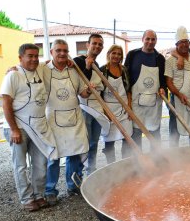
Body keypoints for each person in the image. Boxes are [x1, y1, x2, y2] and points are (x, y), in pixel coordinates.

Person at [0, 43, 57, 212]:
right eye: (29, 56)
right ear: (20, 58)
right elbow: (6, 103)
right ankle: (26, 199)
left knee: (40, 163)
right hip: (18, 127)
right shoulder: (13, 75)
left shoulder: (40, 68)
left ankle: (39, 195)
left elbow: (53, 60)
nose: (33, 59)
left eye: (35, 55)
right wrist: (14, 129)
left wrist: (68, 62)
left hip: (38, 126)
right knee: (20, 166)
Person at [43, 39, 92, 205]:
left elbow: (81, 93)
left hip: (74, 116)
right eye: (58, 50)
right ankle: (50, 190)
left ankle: (73, 185)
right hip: (53, 118)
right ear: (52, 52)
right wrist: (12, 69)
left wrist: (88, 90)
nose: (62, 53)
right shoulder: (43, 69)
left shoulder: (73, 70)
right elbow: (25, 70)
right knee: (53, 156)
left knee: (75, 152)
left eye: (65, 50)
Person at [124, 29, 166, 155]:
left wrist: (163, 87)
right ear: (142, 39)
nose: (150, 42)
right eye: (147, 39)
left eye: (153, 39)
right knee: (136, 135)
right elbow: (125, 77)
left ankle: (156, 161)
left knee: (154, 136)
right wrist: (128, 100)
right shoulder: (132, 55)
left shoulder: (160, 58)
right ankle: (139, 163)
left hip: (154, 103)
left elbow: (162, 78)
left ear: (156, 41)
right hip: (136, 103)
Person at [73, 34, 107, 176]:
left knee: (93, 144)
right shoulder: (77, 61)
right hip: (83, 108)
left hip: (97, 109)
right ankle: (75, 178)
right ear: (87, 45)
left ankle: (90, 172)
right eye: (94, 43)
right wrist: (87, 67)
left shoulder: (97, 65)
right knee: (82, 144)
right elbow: (79, 85)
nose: (97, 46)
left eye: (100, 44)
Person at [165, 26, 190, 146]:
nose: (184, 45)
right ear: (176, 44)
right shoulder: (171, 60)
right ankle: (174, 157)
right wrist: (179, 94)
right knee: (175, 131)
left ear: (189, 43)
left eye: (186, 42)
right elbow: (169, 82)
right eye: (181, 42)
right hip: (177, 100)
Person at [100, 45, 132, 163]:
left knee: (127, 139)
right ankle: (112, 166)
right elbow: (99, 94)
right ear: (108, 54)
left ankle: (125, 164)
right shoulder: (102, 70)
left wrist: (129, 108)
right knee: (109, 142)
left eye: (119, 54)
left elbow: (128, 90)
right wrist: (105, 112)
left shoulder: (124, 70)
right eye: (114, 53)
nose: (116, 56)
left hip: (123, 109)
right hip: (108, 110)